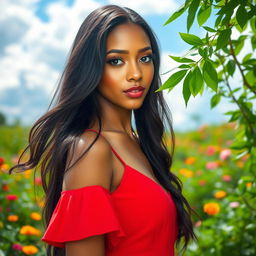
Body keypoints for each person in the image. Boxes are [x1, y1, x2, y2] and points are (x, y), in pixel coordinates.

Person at [9, 4, 197, 256]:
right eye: (116, 61)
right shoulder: (91, 149)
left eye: (145, 58)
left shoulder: (139, 143)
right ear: (91, 68)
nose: (135, 74)